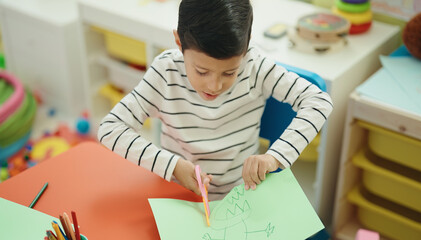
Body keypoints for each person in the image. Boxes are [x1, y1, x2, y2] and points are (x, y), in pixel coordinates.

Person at [98, 0, 333, 200]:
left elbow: (319, 102)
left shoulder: (255, 66)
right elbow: (110, 129)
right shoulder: (166, 71)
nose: (214, 86)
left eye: (229, 73)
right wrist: (172, 166)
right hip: (178, 195)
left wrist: (275, 157)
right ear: (179, 43)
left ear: (246, 46)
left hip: (240, 197)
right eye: (201, 71)